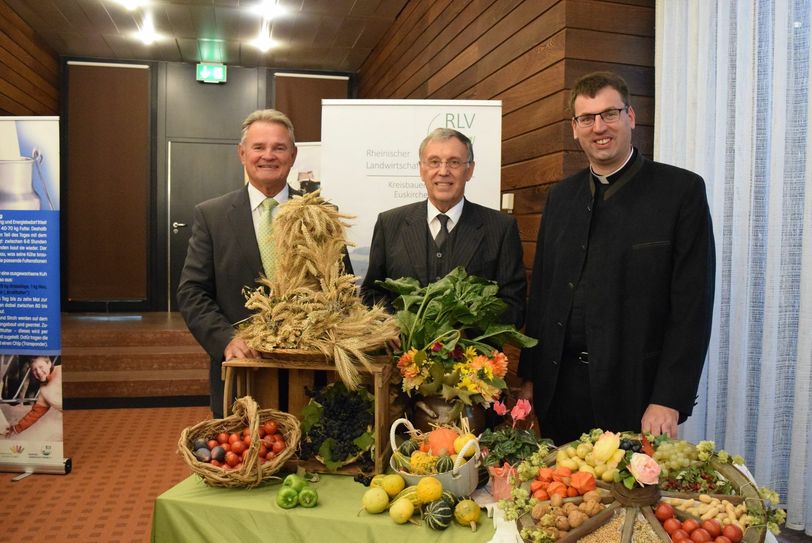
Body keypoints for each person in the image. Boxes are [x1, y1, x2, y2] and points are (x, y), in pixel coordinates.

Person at [518, 71, 715, 444]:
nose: (599, 127)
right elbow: (542, 294)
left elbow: (693, 307)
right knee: (565, 498)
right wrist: (530, 376)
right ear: (575, 129)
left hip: (637, 396)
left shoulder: (681, 192)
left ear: (631, 117)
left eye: (609, 114)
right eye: (587, 118)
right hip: (559, 390)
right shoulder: (561, 197)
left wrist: (668, 398)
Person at [177, 109, 351, 418]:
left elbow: (343, 288)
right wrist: (226, 340)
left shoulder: (322, 213)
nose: (268, 155)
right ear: (242, 154)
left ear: (293, 155)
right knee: (243, 459)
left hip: (311, 374)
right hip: (243, 372)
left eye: (279, 147)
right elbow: (192, 293)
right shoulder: (212, 216)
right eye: (259, 147)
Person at [361, 127, 526, 328]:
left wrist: (464, 330)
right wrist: (393, 325)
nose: (443, 171)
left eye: (454, 162)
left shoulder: (501, 228)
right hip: (400, 355)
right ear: (422, 170)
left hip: (470, 356)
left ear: (470, 170)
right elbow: (371, 293)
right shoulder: (389, 223)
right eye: (434, 162)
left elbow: (513, 306)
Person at [3, 356, 62, 437]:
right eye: (34, 370)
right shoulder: (44, 390)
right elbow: (35, 413)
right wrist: (16, 429)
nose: (38, 372)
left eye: (41, 367)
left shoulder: (61, 371)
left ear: (49, 364)